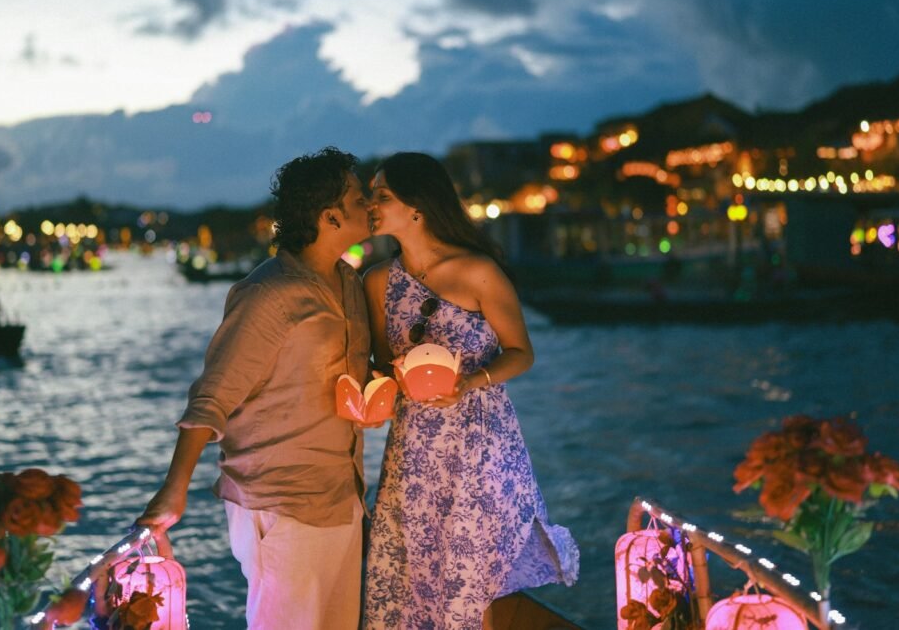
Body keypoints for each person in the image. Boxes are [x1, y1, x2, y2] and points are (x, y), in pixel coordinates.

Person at [137, 147, 372, 630]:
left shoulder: (349, 283)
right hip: (280, 502)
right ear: (330, 216)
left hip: (342, 492)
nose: (368, 202)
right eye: (358, 195)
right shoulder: (269, 294)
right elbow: (213, 395)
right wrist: (174, 488)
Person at [361, 152, 579, 629]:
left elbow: (521, 352)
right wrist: (372, 394)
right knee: (411, 569)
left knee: (472, 573)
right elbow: (381, 364)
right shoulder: (376, 282)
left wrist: (468, 382)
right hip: (414, 447)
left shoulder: (477, 270)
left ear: (416, 206)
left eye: (381, 195)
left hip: (481, 443)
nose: (369, 204)